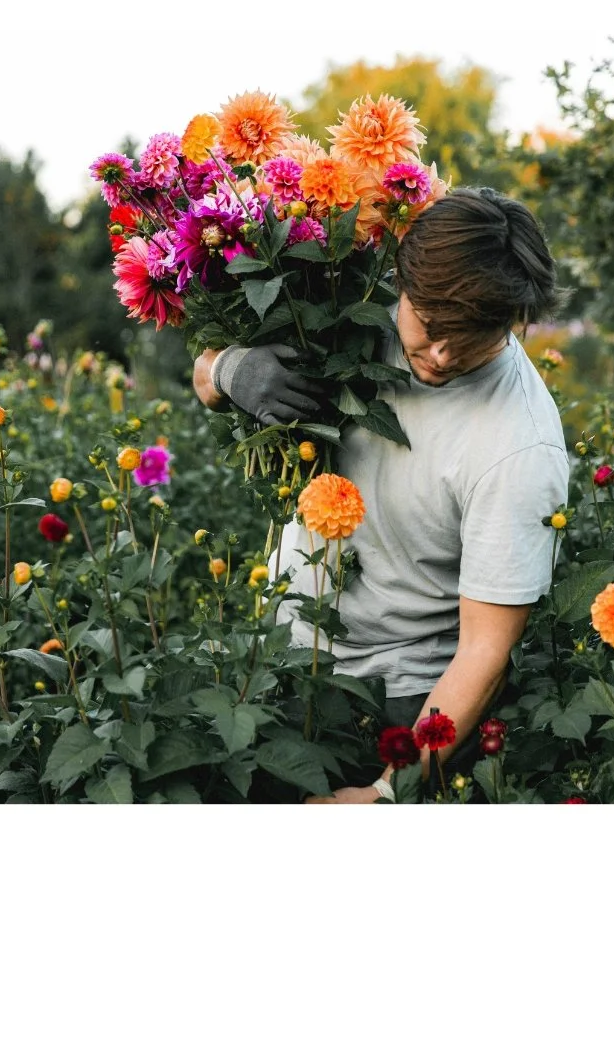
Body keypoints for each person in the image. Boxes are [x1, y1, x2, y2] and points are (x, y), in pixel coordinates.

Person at [190, 187, 567, 802]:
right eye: (430, 325)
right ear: (401, 279)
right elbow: (204, 370)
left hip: (395, 696)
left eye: (469, 336)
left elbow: (485, 651)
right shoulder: (347, 301)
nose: (440, 354)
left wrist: (388, 793)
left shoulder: (519, 444)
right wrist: (230, 370)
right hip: (278, 651)